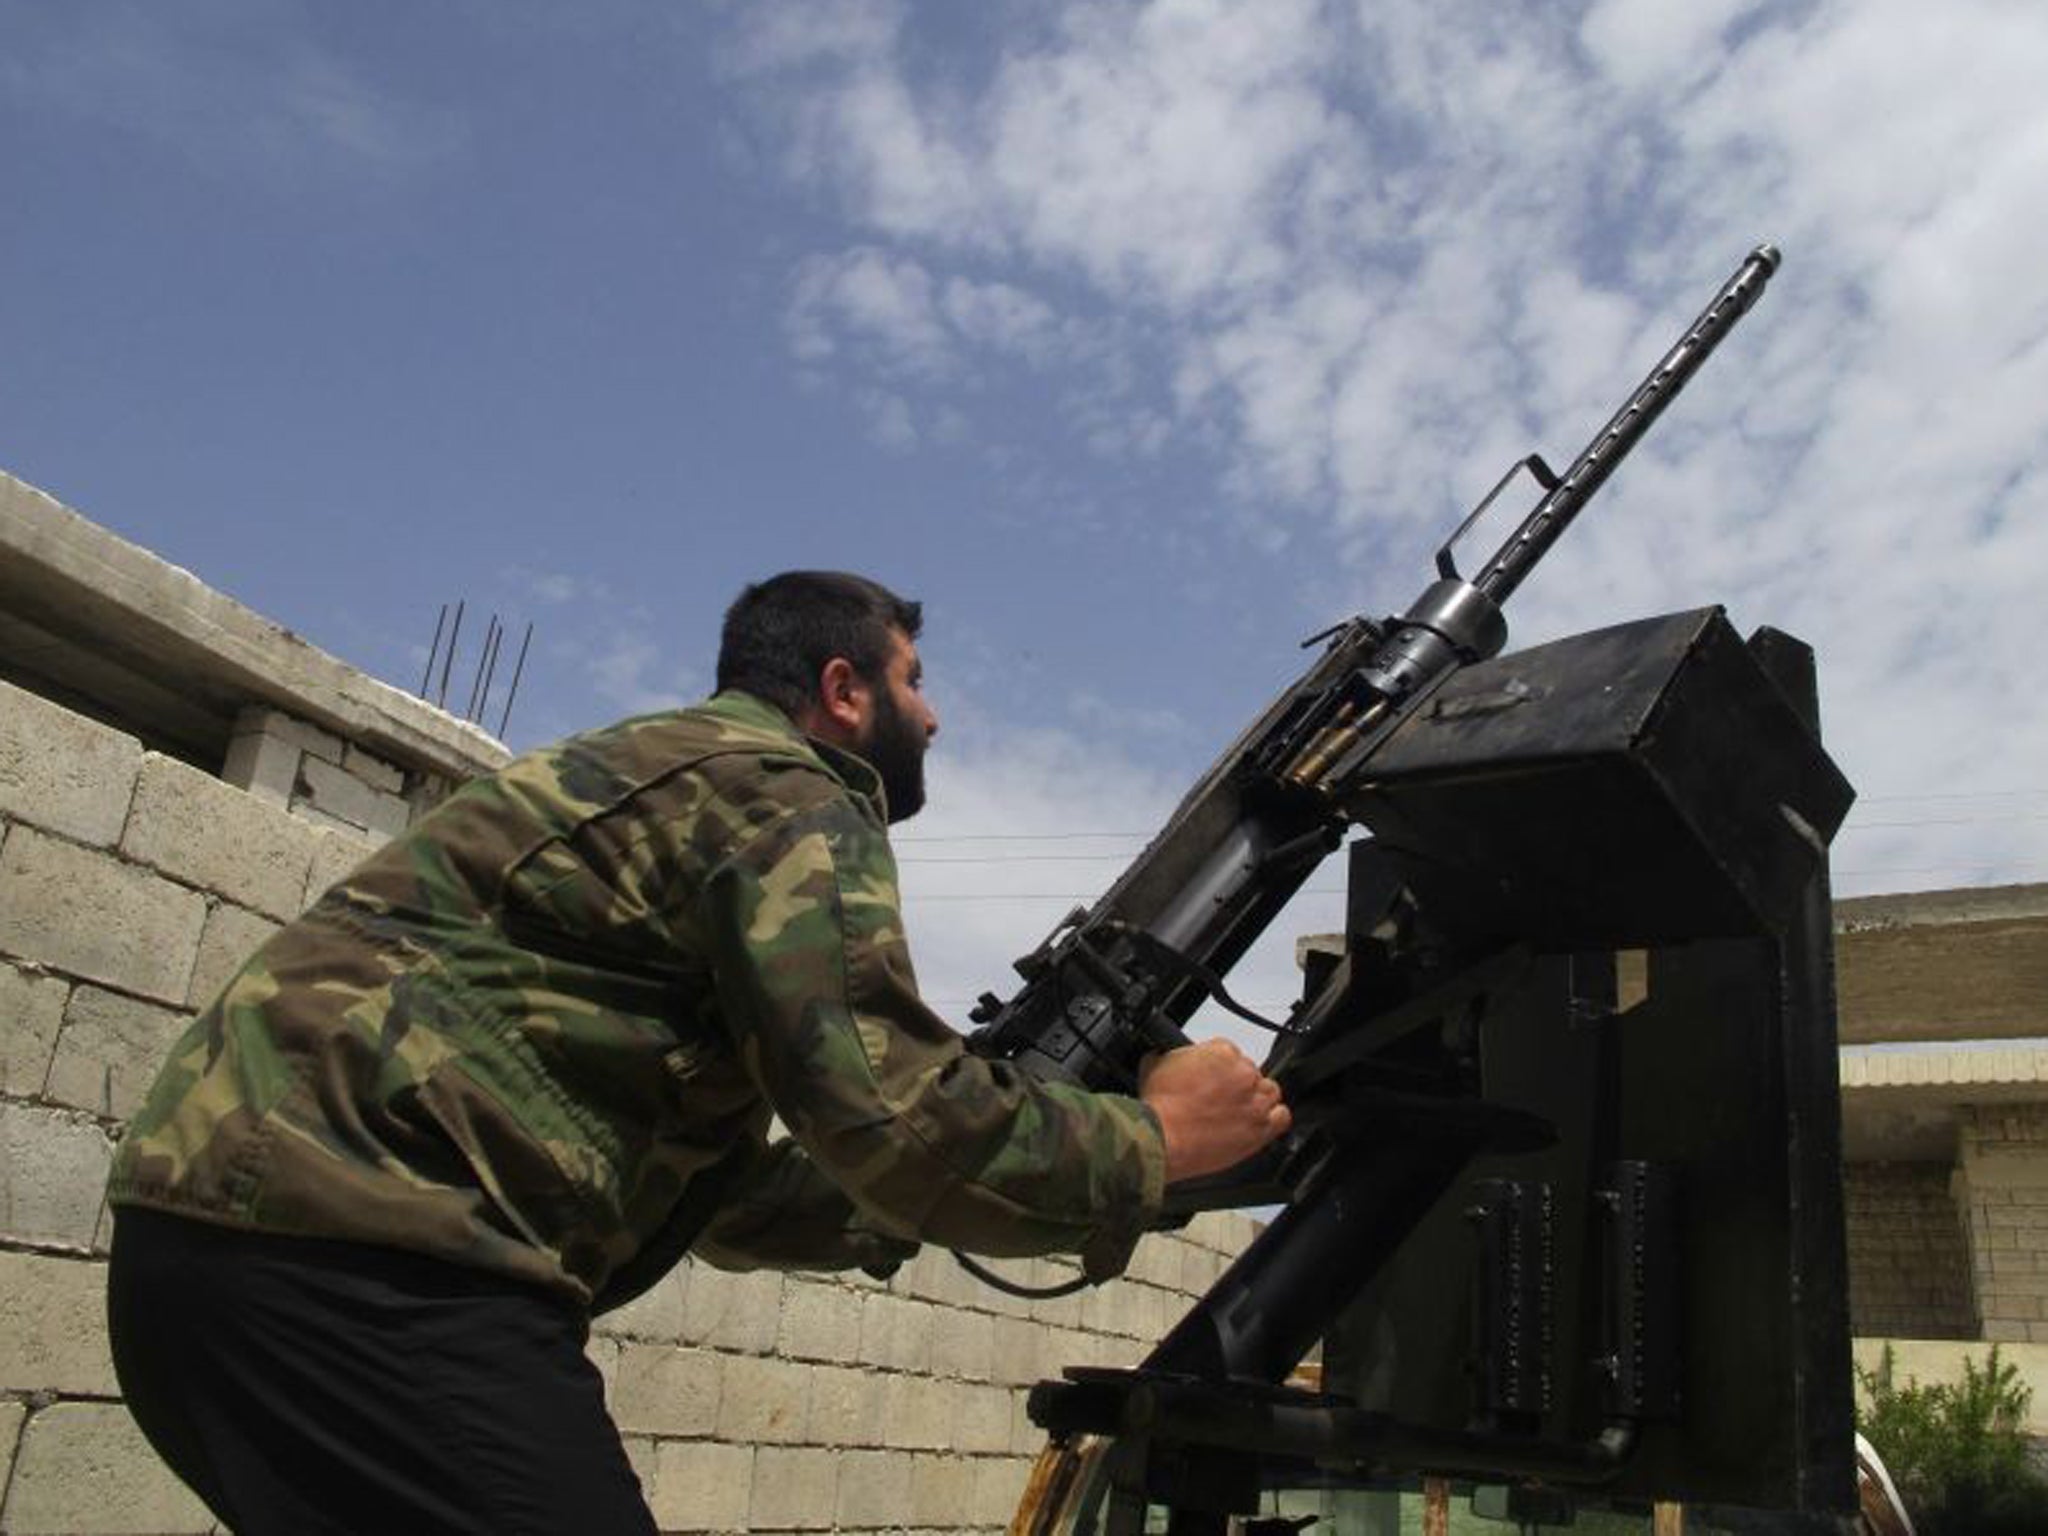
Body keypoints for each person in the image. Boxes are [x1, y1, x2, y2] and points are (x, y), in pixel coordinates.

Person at [105, 570, 1290, 1535]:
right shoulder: (786, 792)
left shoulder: (651, 778)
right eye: (914, 683)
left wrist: (934, 1191)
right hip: (376, 1269)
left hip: (208, 1263)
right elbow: (888, 1113)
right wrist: (1153, 1141)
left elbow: (725, 1198)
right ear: (842, 689)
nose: (932, 716)